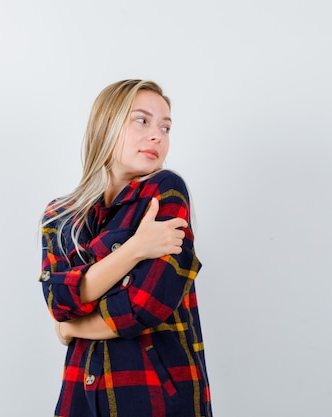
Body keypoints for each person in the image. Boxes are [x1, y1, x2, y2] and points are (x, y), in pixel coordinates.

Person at [38, 79, 212, 417]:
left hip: (155, 396)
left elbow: (142, 307)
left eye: (165, 127)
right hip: (81, 394)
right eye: (142, 120)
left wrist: (72, 326)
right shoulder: (61, 215)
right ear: (106, 126)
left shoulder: (166, 191)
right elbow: (58, 302)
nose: (157, 136)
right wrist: (135, 249)